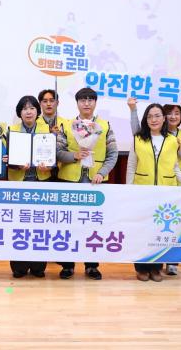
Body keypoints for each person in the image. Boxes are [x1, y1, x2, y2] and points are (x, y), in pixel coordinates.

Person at [126, 103, 181, 282]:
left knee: (160, 231)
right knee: (142, 231)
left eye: (157, 115)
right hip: (142, 191)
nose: (154, 119)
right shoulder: (138, 139)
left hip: (165, 191)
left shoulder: (173, 140)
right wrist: (129, 189)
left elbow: (175, 167)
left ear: (163, 118)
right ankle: (141, 268)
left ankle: (156, 268)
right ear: (145, 119)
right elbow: (131, 166)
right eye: (150, 116)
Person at [56, 87, 118, 280]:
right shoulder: (67, 125)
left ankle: (92, 266)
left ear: (95, 103)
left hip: (95, 183)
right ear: (77, 103)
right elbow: (57, 152)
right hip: (70, 181)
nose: (87, 103)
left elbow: (113, 154)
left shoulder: (105, 126)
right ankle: (67, 265)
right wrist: (74, 156)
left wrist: (101, 172)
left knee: (93, 225)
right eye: (83, 100)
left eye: (91, 100)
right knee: (68, 224)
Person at [7, 96, 52, 278]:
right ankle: (19, 267)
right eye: (24, 108)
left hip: (41, 184)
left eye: (32, 108)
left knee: (40, 225)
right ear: (20, 112)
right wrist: (15, 164)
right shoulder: (11, 131)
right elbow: (4, 159)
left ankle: (38, 266)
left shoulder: (47, 131)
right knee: (19, 226)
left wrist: (49, 166)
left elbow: (54, 158)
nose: (28, 112)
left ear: (37, 111)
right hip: (19, 185)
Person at [37, 89, 68, 180]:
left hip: (62, 170)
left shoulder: (67, 123)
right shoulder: (34, 123)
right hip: (40, 171)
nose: (48, 104)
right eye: (45, 101)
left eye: (52, 101)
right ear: (40, 104)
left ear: (57, 103)